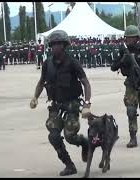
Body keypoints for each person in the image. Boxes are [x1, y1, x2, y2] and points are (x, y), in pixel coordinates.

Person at [29, 30, 91, 176]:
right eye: (52, 44)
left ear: (64, 45)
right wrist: (35, 97)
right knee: (53, 136)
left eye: (57, 44)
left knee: (70, 137)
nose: (54, 47)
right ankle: (69, 165)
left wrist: (87, 105)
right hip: (56, 106)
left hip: (72, 105)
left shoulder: (72, 63)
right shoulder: (47, 64)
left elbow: (86, 84)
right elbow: (41, 82)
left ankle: (84, 143)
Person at [111, 25, 140, 148]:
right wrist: (122, 60)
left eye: (131, 37)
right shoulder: (123, 50)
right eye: (127, 37)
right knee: (131, 110)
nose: (129, 40)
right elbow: (113, 67)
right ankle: (133, 137)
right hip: (131, 84)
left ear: (137, 38)